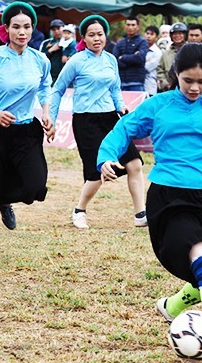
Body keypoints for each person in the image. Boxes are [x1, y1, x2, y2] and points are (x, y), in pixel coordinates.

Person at [97, 42, 202, 363]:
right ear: (175, 75)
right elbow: (123, 128)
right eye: (188, 80)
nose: (195, 88)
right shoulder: (159, 105)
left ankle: (171, 307)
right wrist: (106, 157)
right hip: (171, 199)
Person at [0, 2, 56, 260]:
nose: (22, 32)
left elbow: (44, 86)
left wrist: (47, 112)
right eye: (16, 27)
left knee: (35, 186)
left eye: (27, 27)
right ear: (6, 29)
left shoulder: (40, 59)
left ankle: (5, 200)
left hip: (26, 132)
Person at [49, 14, 147, 230]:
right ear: (83, 38)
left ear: (105, 36)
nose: (96, 39)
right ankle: (79, 210)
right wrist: (52, 120)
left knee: (134, 164)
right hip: (86, 121)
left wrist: (121, 106)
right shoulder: (76, 61)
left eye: (100, 34)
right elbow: (57, 90)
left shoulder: (111, 59)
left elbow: (115, 88)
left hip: (111, 118)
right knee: (97, 172)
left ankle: (141, 215)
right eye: (91, 35)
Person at [113, 16, 149, 92]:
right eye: (128, 25)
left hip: (136, 82)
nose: (130, 27)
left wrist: (123, 58)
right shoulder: (120, 43)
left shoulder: (142, 42)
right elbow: (114, 60)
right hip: (121, 81)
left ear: (138, 27)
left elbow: (139, 58)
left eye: (133, 25)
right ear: (125, 26)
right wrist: (132, 58)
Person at [157, 22, 188, 92]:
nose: (177, 36)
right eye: (175, 34)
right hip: (169, 88)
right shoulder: (166, 53)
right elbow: (160, 70)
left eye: (180, 34)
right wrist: (165, 84)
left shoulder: (191, 50)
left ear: (185, 35)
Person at [39, 18, 66, 85]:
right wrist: (51, 50)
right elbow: (39, 60)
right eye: (53, 29)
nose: (56, 31)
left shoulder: (71, 43)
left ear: (64, 28)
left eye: (58, 28)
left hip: (67, 78)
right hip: (50, 78)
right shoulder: (46, 43)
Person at [143, 25, 162, 97]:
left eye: (151, 34)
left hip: (149, 85)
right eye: (147, 33)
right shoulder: (139, 48)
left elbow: (146, 68)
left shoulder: (157, 52)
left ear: (156, 37)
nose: (148, 36)